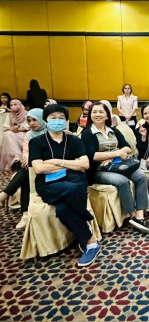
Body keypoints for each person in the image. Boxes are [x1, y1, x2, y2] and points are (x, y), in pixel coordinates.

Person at [28, 104, 101, 267]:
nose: (57, 121)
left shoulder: (75, 140)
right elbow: (39, 168)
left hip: (75, 179)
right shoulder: (36, 142)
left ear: (66, 121)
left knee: (63, 209)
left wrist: (56, 162)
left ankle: (91, 244)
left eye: (61, 118)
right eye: (53, 118)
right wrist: (71, 164)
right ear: (45, 120)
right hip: (48, 184)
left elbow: (85, 165)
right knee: (72, 189)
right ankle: (87, 220)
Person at [81, 101, 149, 233]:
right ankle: (133, 216)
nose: (97, 114)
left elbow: (127, 147)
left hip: (119, 165)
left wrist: (111, 157)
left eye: (101, 112)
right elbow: (93, 155)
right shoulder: (87, 133)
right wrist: (117, 153)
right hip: (99, 170)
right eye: (94, 112)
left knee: (141, 176)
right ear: (90, 115)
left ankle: (140, 215)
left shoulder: (113, 130)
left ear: (107, 115)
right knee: (122, 181)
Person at [0, 108, 47, 229]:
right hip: (31, 168)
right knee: (26, 175)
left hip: (46, 166)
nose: (31, 123)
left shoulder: (50, 133)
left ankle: (5, 195)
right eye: (29, 120)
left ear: (42, 119)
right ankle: (25, 214)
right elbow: (26, 150)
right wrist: (26, 156)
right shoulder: (29, 134)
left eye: (35, 120)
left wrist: (31, 158)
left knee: (27, 169)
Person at [0, 99, 29, 170]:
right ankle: (17, 158)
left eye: (15, 104)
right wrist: (12, 129)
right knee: (7, 134)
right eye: (11, 105)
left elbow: (29, 126)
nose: (13, 106)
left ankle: (17, 159)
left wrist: (19, 129)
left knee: (8, 137)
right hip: (13, 133)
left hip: (24, 134)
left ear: (19, 105)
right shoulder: (10, 115)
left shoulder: (26, 114)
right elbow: (5, 127)